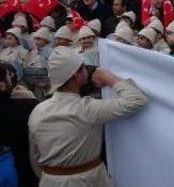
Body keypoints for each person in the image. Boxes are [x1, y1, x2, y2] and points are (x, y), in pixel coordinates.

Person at [28, 46, 148, 187]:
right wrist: (109, 79)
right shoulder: (88, 108)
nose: (87, 71)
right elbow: (137, 100)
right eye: (83, 68)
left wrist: (53, 176)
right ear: (75, 76)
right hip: (89, 181)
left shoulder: (37, 111)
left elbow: (35, 157)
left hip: (49, 181)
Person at [0, 63, 39, 187]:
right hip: (20, 172)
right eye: (8, 75)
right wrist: (31, 100)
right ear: (2, 85)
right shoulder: (24, 107)